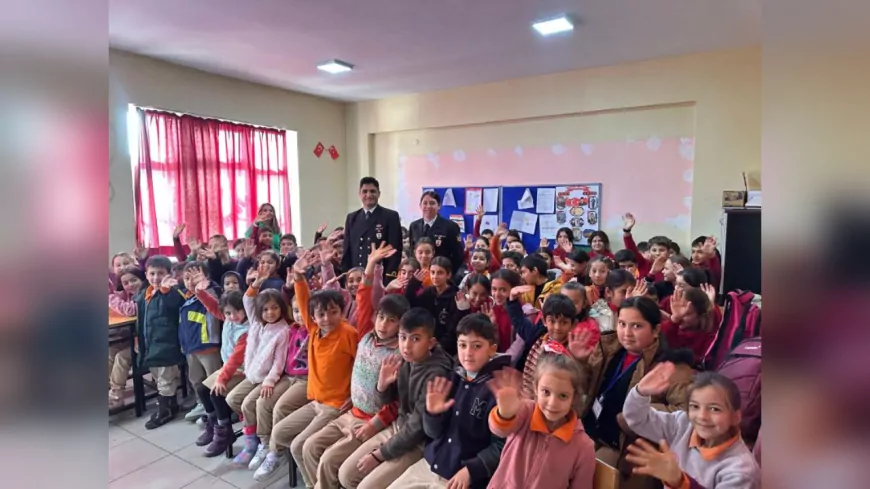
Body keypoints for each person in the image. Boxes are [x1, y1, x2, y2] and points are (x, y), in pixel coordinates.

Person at [301, 244, 406, 489]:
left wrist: (375, 423)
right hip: (350, 411)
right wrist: (370, 265)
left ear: (401, 326)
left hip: (371, 420)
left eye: (392, 321)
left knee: (329, 461)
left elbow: (398, 402)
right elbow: (364, 297)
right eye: (381, 318)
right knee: (309, 447)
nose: (383, 324)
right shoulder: (366, 335)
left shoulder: (400, 353)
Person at [574, 297, 694, 480]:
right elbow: (586, 387)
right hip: (591, 429)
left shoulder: (671, 368)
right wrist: (579, 362)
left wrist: (636, 414)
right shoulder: (610, 348)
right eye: (622, 324)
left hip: (625, 448)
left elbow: (685, 415)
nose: (626, 333)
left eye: (636, 326)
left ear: (656, 330)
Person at [388, 313, 510, 489]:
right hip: (432, 462)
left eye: (477, 346)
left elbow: (502, 446)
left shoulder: (499, 388)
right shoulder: (453, 378)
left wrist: (471, 470)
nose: (468, 353)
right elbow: (432, 433)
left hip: (463, 477)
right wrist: (432, 414)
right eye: (462, 345)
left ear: (492, 349)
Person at [270, 249, 359, 488]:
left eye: (334, 312)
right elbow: (302, 299)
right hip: (315, 401)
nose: (327, 318)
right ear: (314, 317)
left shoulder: (348, 333)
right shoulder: (314, 329)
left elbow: (360, 366)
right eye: (321, 314)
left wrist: (354, 396)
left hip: (335, 405)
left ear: (342, 312)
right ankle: (316, 475)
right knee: (278, 433)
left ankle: (315, 484)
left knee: (300, 445)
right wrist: (298, 276)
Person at [337, 308, 454, 489]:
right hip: (397, 428)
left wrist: (379, 455)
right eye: (402, 337)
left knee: (365, 486)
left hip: (417, 443)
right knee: (346, 475)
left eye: (415, 339)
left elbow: (417, 428)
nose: (406, 346)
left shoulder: (437, 374)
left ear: (431, 343)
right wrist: (382, 386)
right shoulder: (406, 360)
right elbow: (390, 404)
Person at [623, 368, 760, 488]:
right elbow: (638, 419)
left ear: (735, 417)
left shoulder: (741, 470)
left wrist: (680, 482)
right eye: (695, 406)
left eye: (714, 409)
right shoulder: (683, 424)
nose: (702, 416)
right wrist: (640, 392)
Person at [486, 347, 596, 489]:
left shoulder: (583, 447)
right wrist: (505, 414)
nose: (552, 403)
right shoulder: (525, 412)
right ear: (536, 388)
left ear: (574, 397)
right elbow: (499, 430)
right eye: (546, 392)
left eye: (563, 396)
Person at [223, 265, 292, 466]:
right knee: (233, 398)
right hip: (252, 374)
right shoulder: (255, 322)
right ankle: (251, 432)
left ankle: (259, 443)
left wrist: (270, 381)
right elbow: (247, 299)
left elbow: (279, 362)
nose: (270, 313)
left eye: (275, 308)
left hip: (268, 379)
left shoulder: (283, 330)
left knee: (249, 404)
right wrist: (256, 284)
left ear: (281, 308)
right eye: (265, 309)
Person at [191, 288, 249, 456]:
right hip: (229, 368)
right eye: (229, 313)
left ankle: (224, 431)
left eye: (238, 311)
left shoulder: (247, 330)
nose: (233, 316)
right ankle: (213, 423)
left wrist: (222, 379)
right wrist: (200, 292)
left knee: (216, 392)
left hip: (243, 370)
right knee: (202, 389)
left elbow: (236, 359)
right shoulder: (229, 319)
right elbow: (213, 307)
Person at [134, 255, 188, 429]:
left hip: (167, 345)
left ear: (169, 274)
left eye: (160, 273)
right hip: (151, 345)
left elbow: (176, 304)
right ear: (146, 274)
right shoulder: (144, 294)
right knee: (159, 377)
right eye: (152, 273)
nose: (156, 278)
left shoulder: (173, 292)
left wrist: (166, 291)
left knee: (166, 379)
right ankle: (171, 405)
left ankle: (164, 411)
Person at [178, 263, 223, 422]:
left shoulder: (209, 294)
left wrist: (204, 286)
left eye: (195, 277)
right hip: (191, 348)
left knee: (213, 380)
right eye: (187, 278)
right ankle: (202, 404)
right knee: (196, 380)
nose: (191, 281)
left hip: (208, 347)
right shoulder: (185, 298)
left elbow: (216, 304)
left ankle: (219, 408)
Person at [342, 177, 403, 282]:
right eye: (365, 191)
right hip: (357, 278)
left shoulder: (390, 216)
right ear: (359, 194)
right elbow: (347, 251)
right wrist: (347, 277)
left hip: (379, 277)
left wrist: (389, 278)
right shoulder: (352, 217)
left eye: (372, 191)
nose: (369, 195)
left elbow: (395, 250)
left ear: (379, 194)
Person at [405, 256, 460, 355]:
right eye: (432, 272)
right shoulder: (428, 292)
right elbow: (411, 306)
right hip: (425, 341)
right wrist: (413, 284)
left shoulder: (456, 297)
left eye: (440, 273)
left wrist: (438, 346)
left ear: (448, 275)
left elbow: (453, 329)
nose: (435, 276)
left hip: (445, 348)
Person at [108, 266, 145, 408]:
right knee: (110, 353)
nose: (130, 285)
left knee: (121, 357)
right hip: (131, 339)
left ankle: (117, 395)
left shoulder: (144, 294)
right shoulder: (126, 295)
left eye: (134, 280)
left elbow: (130, 310)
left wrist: (110, 297)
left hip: (144, 342)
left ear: (142, 278)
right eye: (126, 283)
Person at [409, 191, 464, 273]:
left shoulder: (451, 227)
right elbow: (411, 252)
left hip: (441, 274)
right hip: (419, 274)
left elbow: (458, 256)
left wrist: (449, 275)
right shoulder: (414, 226)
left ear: (439, 206)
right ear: (420, 206)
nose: (428, 206)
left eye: (432, 203)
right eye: (425, 203)